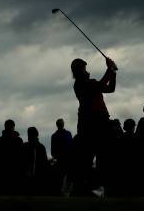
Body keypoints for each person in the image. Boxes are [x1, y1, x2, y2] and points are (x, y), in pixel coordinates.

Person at [71, 56, 117, 192]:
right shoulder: (82, 84)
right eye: (84, 69)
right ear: (79, 72)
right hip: (91, 122)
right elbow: (103, 83)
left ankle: (94, 185)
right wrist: (110, 69)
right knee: (89, 156)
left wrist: (113, 73)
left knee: (100, 155)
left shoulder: (89, 83)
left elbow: (111, 88)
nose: (87, 71)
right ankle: (85, 185)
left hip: (98, 121)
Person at [0, 119, 24, 193]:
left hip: (6, 172)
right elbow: (22, 157)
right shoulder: (18, 140)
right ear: (14, 127)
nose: (9, 128)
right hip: (12, 172)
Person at [23, 127, 49, 194]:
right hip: (34, 177)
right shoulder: (40, 147)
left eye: (30, 135)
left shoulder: (25, 146)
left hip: (36, 177)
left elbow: (44, 163)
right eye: (29, 135)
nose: (29, 137)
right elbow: (45, 163)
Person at [51, 118, 72, 194]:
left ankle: (60, 192)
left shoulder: (54, 136)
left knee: (60, 179)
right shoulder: (68, 134)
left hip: (60, 161)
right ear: (63, 124)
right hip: (68, 160)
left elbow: (53, 152)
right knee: (68, 179)